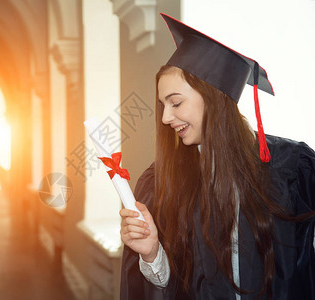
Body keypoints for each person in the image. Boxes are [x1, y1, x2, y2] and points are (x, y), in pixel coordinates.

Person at [119, 14, 315, 300]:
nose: (165, 117)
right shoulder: (162, 181)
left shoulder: (292, 169)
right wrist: (151, 253)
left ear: (213, 97)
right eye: (162, 105)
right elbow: (171, 289)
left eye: (176, 103)